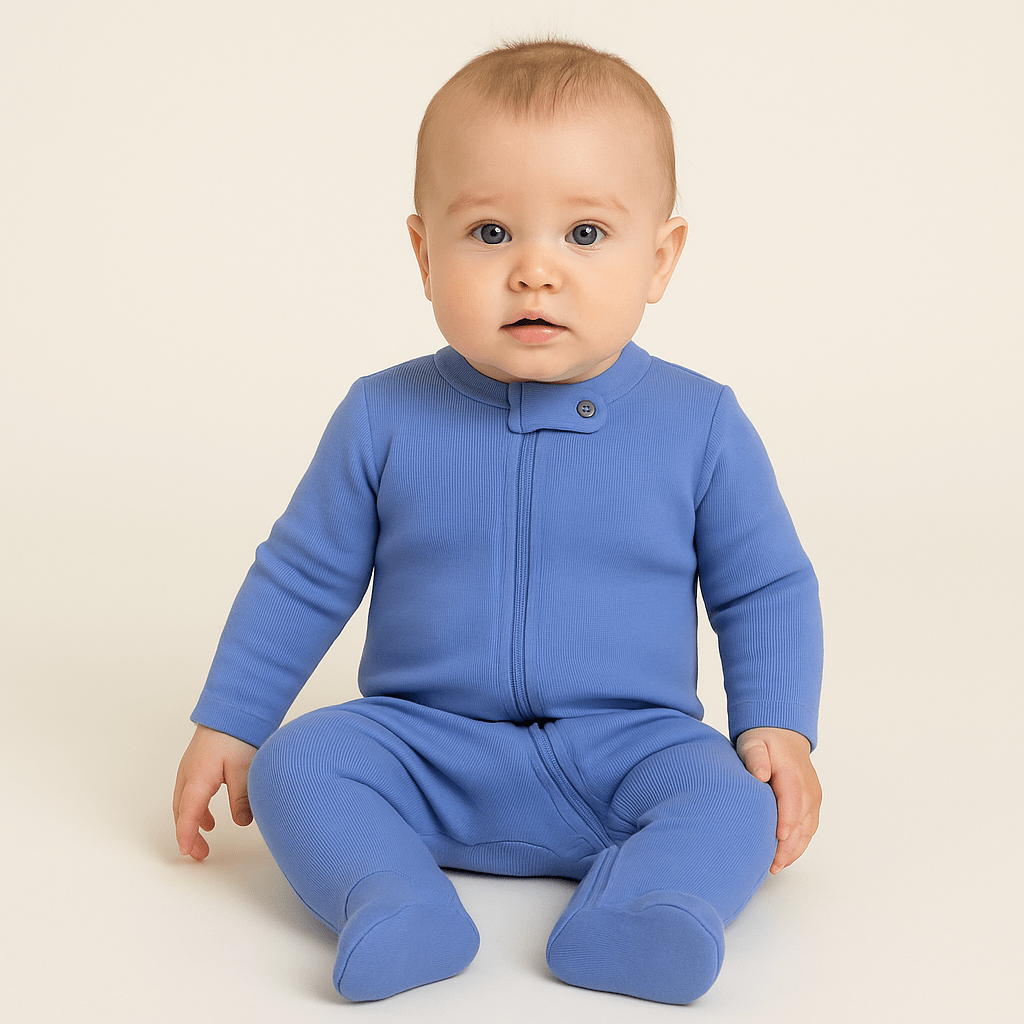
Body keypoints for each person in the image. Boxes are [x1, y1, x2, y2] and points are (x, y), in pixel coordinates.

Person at [173, 38, 823, 1005]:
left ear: (661, 257)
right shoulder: (383, 414)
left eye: (585, 234)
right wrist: (230, 719)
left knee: (732, 800)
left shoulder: (700, 422)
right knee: (299, 766)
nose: (534, 271)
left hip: (630, 750)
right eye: (489, 233)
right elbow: (302, 575)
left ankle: (646, 910)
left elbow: (763, 584)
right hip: (426, 745)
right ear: (423, 253)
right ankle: (392, 898)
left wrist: (779, 723)